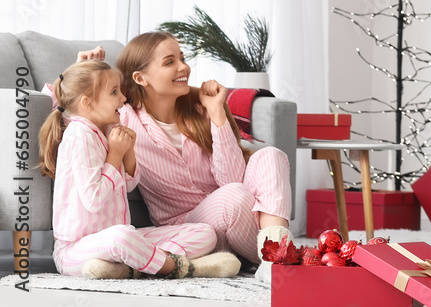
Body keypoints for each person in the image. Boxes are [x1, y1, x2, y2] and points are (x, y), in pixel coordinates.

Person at [77, 33, 293, 283]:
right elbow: (74, 119)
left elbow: (232, 178)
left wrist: (217, 114)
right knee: (235, 196)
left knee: (271, 155)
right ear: (140, 78)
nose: (184, 67)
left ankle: (276, 258)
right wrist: (81, 71)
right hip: (188, 230)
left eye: (182, 58)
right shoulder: (125, 119)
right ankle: (272, 257)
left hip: (236, 218)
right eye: (170, 62)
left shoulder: (200, 109)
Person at [39, 60, 239, 279]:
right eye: (114, 92)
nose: (123, 99)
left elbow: (130, 184)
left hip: (116, 247)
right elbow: (94, 199)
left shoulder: (108, 129)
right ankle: (181, 268)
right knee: (122, 236)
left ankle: (130, 268)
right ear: (88, 103)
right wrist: (115, 154)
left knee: (204, 232)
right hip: (77, 251)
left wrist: (128, 151)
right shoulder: (80, 135)